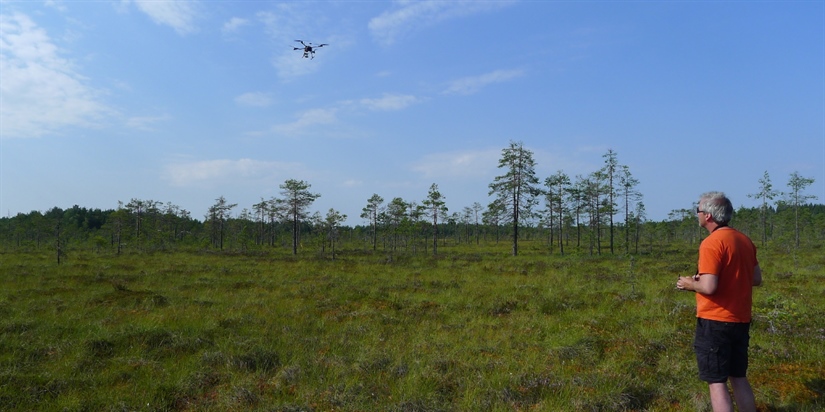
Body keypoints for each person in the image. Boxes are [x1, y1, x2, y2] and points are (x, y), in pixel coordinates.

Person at [676, 191, 763, 412]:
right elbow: (755, 279)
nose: (697, 214)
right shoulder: (744, 240)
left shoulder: (711, 243)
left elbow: (709, 287)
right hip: (740, 319)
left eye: (698, 210)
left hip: (715, 321)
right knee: (738, 377)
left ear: (708, 216)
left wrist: (689, 284)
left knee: (716, 382)